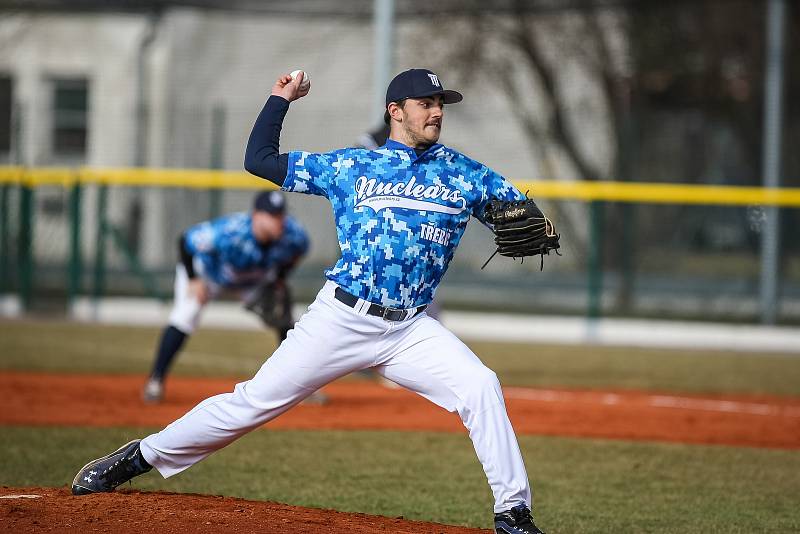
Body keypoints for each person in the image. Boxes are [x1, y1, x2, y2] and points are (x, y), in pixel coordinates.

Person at [71, 68, 550, 534]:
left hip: (409, 329)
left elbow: (520, 215)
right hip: (341, 318)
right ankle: (139, 456)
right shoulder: (351, 166)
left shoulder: (466, 174)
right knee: (252, 403)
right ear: (395, 111)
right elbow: (259, 159)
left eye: (440, 105)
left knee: (481, 385)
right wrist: (279, 100)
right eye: (426, 104)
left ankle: (513, 514)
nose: (437, 113)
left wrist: (533, 221)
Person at [141, 190, 309, 404]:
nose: (280, 221)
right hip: (208, 275)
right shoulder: (230, 231)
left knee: (282, 316)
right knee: (186, 314)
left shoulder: (293, 234)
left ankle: (297, 386)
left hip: (250, 281)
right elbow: (186, 241)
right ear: (256, 215)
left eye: (281, 215)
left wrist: (279, 278)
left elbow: (298, 253)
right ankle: (156, 380)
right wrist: (193, 279)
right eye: (273, 216)